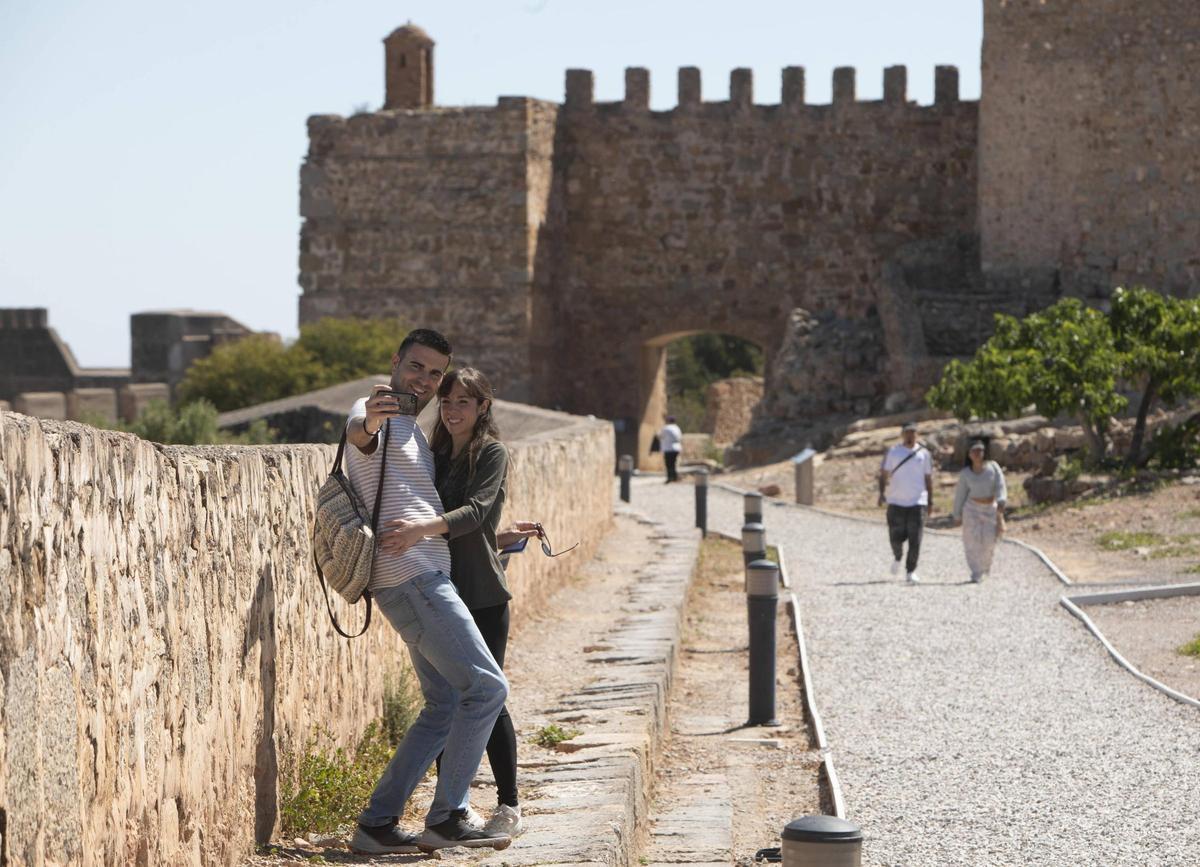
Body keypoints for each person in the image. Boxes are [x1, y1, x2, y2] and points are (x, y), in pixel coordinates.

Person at [344, 330, 511, 856]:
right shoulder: (381, 415)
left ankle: (377, 824)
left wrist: (497, 536)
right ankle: (448, 815)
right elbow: (358, 432)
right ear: (396, 362)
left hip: (416, 579)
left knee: (442, 705)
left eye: (435, 373)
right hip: (414, 579)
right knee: (486, 689)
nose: (424, 378)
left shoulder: (416, 432)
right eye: (416, 366)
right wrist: (370, 417)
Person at [380, 367, 536, 840]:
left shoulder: (491, 452)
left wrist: (417, 532)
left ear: (482, 407)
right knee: (448, 702)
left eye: (463, 402)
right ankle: (451, 810)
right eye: (447, 402)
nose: (452, 410)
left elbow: (473, 514)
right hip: (438, 592)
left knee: (489, 697)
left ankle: (508, 804)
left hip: (481, 595)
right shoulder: (436, 453)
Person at [878, 421, 935, 583]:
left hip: (918, 502)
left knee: (915, 539)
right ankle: (897, 556)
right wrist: (881, 493)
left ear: (917, 434)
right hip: (896, 501)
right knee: (895, 537)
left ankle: (911, 571)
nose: (910, 435)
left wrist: (930, 501)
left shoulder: (924, 454)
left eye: (913, 432)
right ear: (902, 434)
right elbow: (883, 474)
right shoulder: (894, 452)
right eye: (907, 432)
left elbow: (928, 478)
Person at [952, 440, 1008, 583]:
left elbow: (1000, 486)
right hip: (972, 509)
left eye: (980, 450)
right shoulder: (965, 473)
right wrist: (957, 514)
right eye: (973, 451)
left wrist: (1001, 501)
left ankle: (985, 567)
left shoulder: (993, 467)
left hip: (990, 508)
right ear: (969, 454)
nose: (977, 454)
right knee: (972, 541)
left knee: (989, 540)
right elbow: (960, 494)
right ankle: (976, 571)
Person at [659, 415, 683, 482]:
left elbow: (660, 436)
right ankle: (674, 477)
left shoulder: (666, 428)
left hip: (668, 449)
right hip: (676, 448)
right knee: (673, 463)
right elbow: (680, 437)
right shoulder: (677, 428)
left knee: (669, 464)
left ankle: (670, 477)